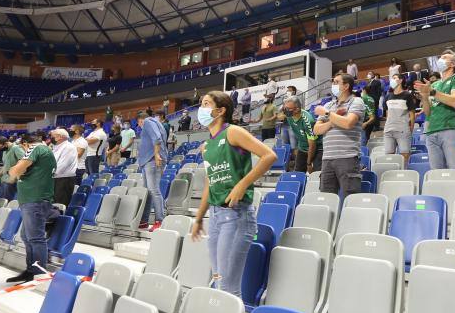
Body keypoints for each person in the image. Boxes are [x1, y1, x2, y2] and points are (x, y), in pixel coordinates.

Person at [190, 91, 276, 297]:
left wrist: (242, 185)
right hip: (216, 216)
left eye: (206, 104)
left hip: (237, 217)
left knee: (228, 286)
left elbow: (269, 155)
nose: (201, 109)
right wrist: (199, 218)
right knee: (219, 278)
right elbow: (210, 183)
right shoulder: (207, 146)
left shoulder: (233, 132)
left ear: (220, 111)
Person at [7, 132, 59, 283]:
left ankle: (38, 273)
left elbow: (15, 171)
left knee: (35, 238)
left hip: (35, 200)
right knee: (27, 236)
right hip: (33, 200)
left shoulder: (35, 147)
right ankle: (31, 270)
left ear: (25, 144)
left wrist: (14, 169)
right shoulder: (44, 151)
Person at [415, 49, 455, 169]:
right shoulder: (434, 84)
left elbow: (454, 101)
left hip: (450, 128)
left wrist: (432, 92)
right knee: (436, 172)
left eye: (444, 57)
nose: (440, 59)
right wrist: (424, 97)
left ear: (453, 64)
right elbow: (428, 112)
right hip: (431, 131)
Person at [313, 73, 365, 198]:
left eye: (336, 82)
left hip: (347, 157)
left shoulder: (356, 101)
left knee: (350, 197)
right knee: (327, 199)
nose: (333, 85)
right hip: (327, 159)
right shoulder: (329, 105)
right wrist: (333, 119)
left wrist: (326, 114)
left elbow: (348, 123)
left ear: (346, 86)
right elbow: (316, 130)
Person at [136, 109, 169, 231]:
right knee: (148, 192)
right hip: (148, 160)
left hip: (152, 159)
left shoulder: (148, 122)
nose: (140, 126)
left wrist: (156, 154)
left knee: (154, 190)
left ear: (140, 120)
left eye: (139, 123)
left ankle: (159, 220)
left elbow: (157, 138)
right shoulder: (156, 122)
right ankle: (144, 221)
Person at [284, 96, 323, 172]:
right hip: (302, 147)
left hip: (317, 148)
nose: (286, 110)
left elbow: (312, 145)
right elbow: (298, 133)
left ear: (297, 109)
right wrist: (297, 148)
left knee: (317, 174)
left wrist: (308, 163)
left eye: (288, 109)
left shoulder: (308, 121)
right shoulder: (289, 117)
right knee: (297, 173)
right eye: (285, 108)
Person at [383, 74, 416, 164]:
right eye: (391, 78)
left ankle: (404, 175)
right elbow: (387, 114)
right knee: (389, 158)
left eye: (394, 78)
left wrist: (411, 129)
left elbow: (412, 114)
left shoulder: (407, 95)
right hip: (388, 130)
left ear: (401, 80)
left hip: (402, 130)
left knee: (405, 156)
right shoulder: (387, 96)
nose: (392, 80)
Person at [50, 128, 77, 207]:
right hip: (55, 178)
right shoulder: (57, 147)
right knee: (53, 203)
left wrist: (47, 174)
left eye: (53, 136)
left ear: (61, 137)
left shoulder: (69, 147)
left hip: (64, 180)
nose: (51, 138)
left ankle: (60, 219)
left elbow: (61, 166)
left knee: (59, 204)